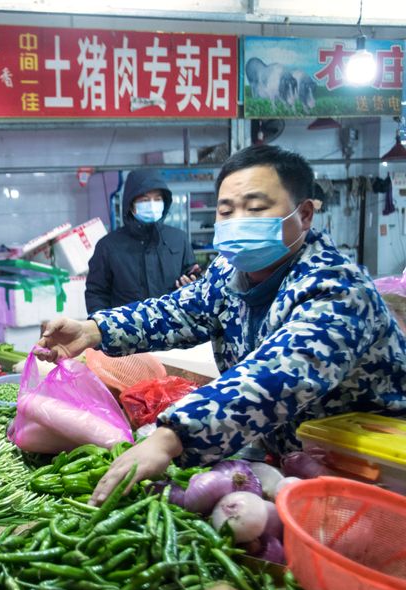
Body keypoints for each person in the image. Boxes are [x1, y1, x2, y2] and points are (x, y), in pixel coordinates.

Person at [39, 145, 406, 504]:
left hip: (372, 475)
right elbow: (180, 311)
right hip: (292, 465)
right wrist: (94, 330)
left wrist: (173, 436)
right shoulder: (231, 272)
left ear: (305, 214)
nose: (238, 221)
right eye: (227, 211)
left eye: (256, 208)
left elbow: (276, 377)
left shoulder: (338, 290)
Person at [85, 169, 198, 312]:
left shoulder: (179, 239)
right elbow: (96, 293)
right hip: (126, 331)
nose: (152, 205)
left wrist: (192, 284)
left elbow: (194, 277)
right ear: (131, 205)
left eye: (157, 199)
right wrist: (102, 328)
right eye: (144, 200)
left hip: (173, 329)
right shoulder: (108, 246)